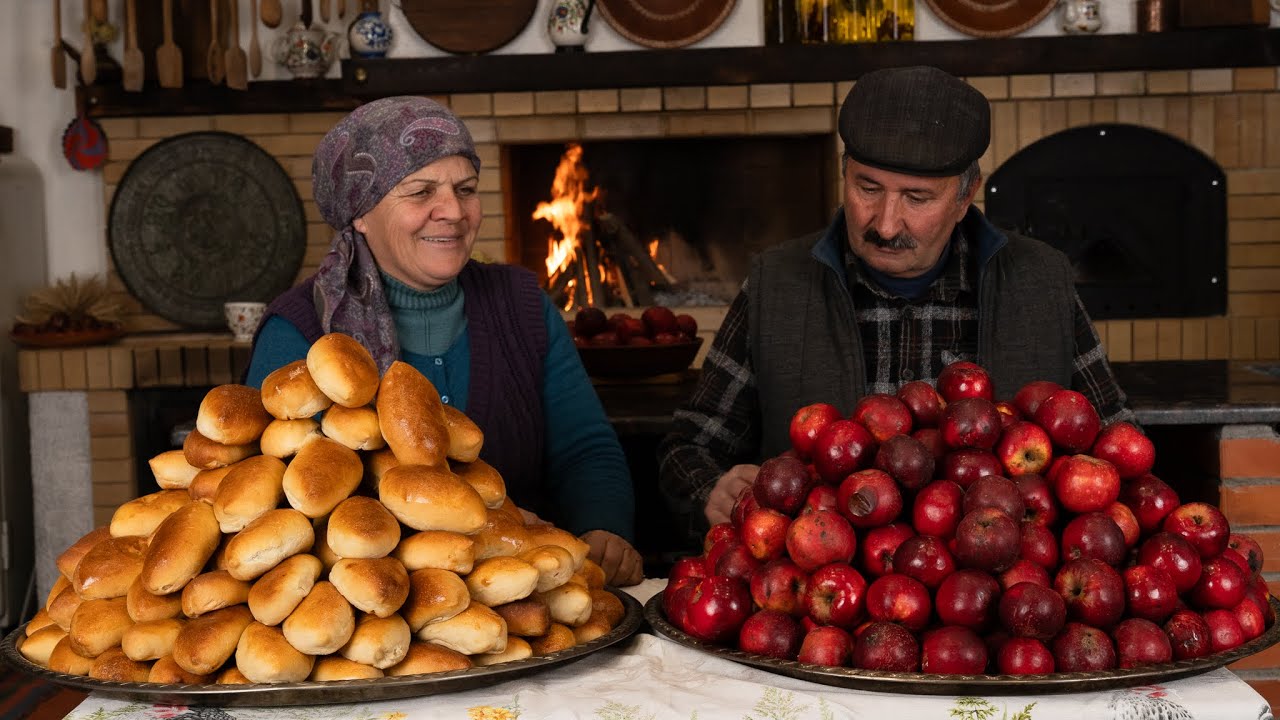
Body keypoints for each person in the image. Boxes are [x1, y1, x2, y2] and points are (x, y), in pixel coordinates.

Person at [658, 66, 1135, 541]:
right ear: (842, 173)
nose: (885, 225)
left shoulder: (1041, 282)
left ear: (966, 194)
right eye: (868, 188)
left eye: (916, 197)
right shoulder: (776, 283)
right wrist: (711, 489)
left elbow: (1120, 450)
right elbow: (689, 446)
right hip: (815, 592)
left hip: (998, 595)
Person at [245, 96, 643, 586]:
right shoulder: (300, 330)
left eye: (466, 188)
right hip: (376, 610)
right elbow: (278, 510)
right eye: (421, 192)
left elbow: (584, 448)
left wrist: (602, 527)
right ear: (361, 213)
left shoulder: (522, 305)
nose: (453, 211)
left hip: (526, 596)